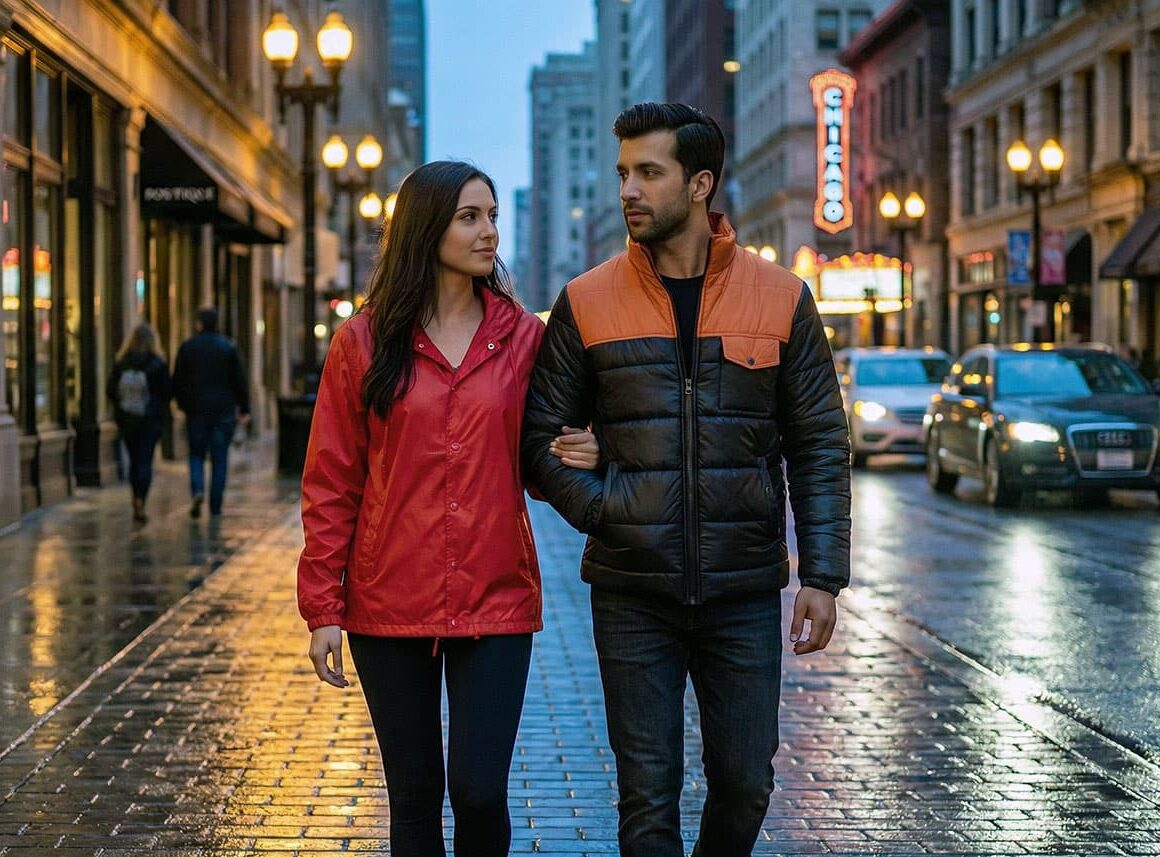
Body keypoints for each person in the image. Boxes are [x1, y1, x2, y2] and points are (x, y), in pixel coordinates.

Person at [521, 103, 852, 856]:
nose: (628, 190)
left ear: (700, 183)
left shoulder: (782, 297)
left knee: (745, 781)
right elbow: (538, 441)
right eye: (622, 174)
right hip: (632, 591)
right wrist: (607, 507)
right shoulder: (585, 300)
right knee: (647, 794)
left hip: (741, 591)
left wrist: (824, 575)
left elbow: (819, 442)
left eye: (648, 172)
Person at [296, 160, 601, 857]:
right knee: (412, 795)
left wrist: (589, 449)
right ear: (426, 227)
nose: (489, 230)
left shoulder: (525, 338)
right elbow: (331, 481)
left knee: (480, 789)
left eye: (492, 215)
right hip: (387, 599)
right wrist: (324, 607)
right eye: (470, 216)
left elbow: (544, 451)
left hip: (496, 597)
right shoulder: (364, 342)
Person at [171, 306, 250, 518]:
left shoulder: (188, 347)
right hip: (222, 412)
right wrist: (244, 408)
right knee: (219, 458)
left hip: (196, 410)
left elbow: (178, 380)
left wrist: (182, 403)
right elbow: (239, 381)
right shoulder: (227, 347)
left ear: (199, 324)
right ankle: (215, 504)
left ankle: (197, 490)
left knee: (196, 455)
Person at [106, 322, 171, 523]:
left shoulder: (122, 362)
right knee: (145, 460)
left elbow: (110, 390)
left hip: (127, 419)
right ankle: (141, 499)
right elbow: (166, 393)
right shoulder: (158, 363)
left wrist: (121, 408)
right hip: (149, 420)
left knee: (134, 460)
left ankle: (135, 496)